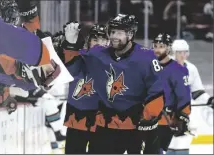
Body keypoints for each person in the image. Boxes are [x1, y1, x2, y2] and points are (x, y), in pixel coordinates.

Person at [62, 14, 164, 154]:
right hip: (105, 126)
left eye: (119, 32)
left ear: (130, 34)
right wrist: (70, 45)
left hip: (135, 127)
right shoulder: (98, 54)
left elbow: (157, 89)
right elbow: (73, 71)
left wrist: (149, 117)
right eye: (112, 31)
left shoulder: (147, 57)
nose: (114, 36)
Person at [63, 24, 109, 154]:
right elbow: (71, 71)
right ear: (89, 41)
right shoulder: (78, 56)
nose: (99, 44)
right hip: (77, 118)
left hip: (102, 121)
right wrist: (70, 45)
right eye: (95, 39)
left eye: (103, 40)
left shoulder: (115, 62)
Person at [144, 33, 191, 154]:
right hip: (146, 118)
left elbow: (184, 96)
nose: (157, 49)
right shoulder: (148, 66)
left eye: (161, 46)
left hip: (164, 120)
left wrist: (182, 117)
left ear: (169, 48)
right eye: (155, 46)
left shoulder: (178, 69)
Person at [167, 39, 214, 154]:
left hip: (184, 113)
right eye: (179, 52)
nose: (183, 55)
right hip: (166, 114)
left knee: (183, 143)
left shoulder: (191, 68)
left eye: (185, 52)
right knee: (168, 143)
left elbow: (197, 92)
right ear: (173, 52)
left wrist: (209, 100)